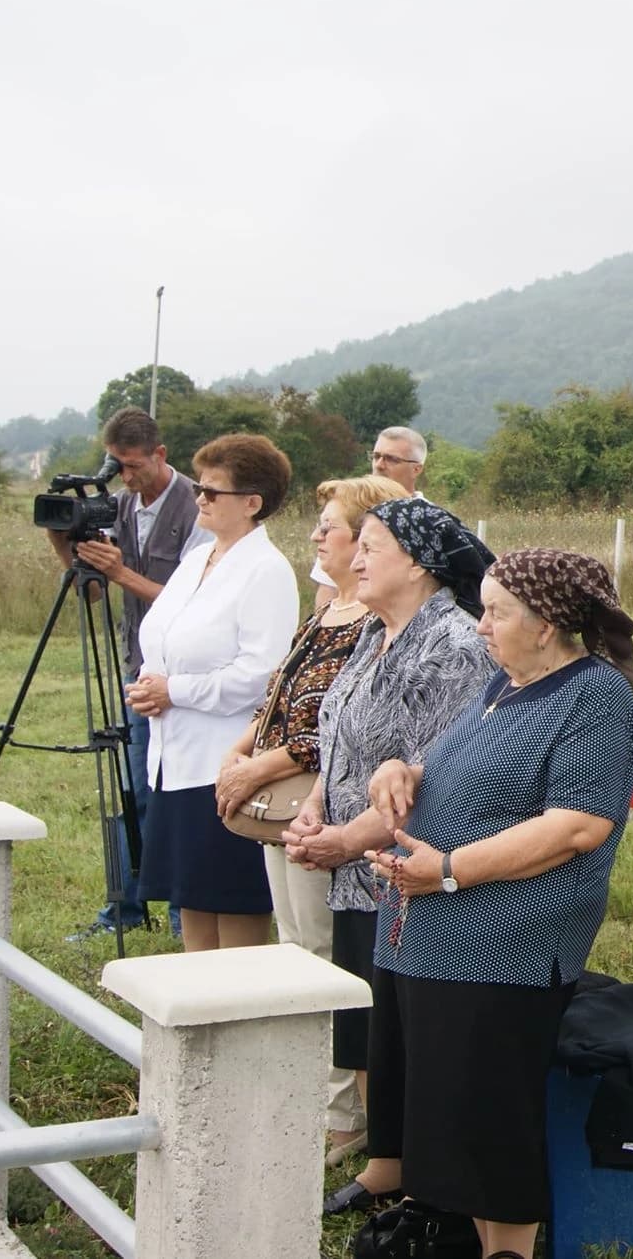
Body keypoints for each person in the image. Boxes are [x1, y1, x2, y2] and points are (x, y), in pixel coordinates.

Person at [360, 548, 633, 1259]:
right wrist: (400, 770)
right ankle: (460, 1232)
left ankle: (510, 1250)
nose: (481, 626)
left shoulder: (596, 698)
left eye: (497, 612)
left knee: (487, 1120)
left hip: (503, 946)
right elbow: (460, 770)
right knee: (445, 1113)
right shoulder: (504, 685)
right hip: (428, 933)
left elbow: (578, 824)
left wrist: (449, 869)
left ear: (547, 624)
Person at [288, 496, 498, 1215]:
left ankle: (422, 1172)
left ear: (416, 562)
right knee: (372, 1017)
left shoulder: (456, 644)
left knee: (408, 1022)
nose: (354, 559)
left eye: (371, 546)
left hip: (407, 865)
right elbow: (340, 732)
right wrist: (316, 805)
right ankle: (386, 1161)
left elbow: (434, 769)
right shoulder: (374, 631)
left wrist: (348, 840)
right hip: (355, 865)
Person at [215, 471, 408, 1161]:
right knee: (295, 946)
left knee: (325, 954)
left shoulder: (373, 626)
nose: (317, 537)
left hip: (321, 806)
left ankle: (343, 1110)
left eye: (328, 526)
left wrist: (255, 768)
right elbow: (280, 697)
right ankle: (312, 1092)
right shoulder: (325, 611)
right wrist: (240, 753)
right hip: (284, 809)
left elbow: (330, 731)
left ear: (369, 538)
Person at [129, 433, 300, 952]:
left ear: (251, 503)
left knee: (233, 903)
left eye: (212, 491)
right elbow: (161, 635)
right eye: (199, 487)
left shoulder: (266, 570)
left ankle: (235, 1019)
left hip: (223, 761)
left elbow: (262, 675)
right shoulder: (198, 559)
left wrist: (174, 690)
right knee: (192, 901)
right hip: (174, 757)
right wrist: (149, 685)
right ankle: (197, 1016)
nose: (198, 498)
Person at [49, 407, 208, 940]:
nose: (127, 476)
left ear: (160, 455)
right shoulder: (115, 506)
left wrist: (121, 571)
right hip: (139, 670)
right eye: (117, 465)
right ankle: (123, 909)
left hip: (188, 677)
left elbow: (195, 603)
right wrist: (64, 539)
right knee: (130, 788)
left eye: (134, 465)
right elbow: (93, 593)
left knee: (180, 793)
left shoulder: (198, 508)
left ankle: (186, 910)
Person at [313, 427, 429, 608]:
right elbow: (328, 587)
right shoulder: (349, 508)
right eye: (376, 456)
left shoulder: (428, 523)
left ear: (416, 469)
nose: (380, 465)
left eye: (392, 459)